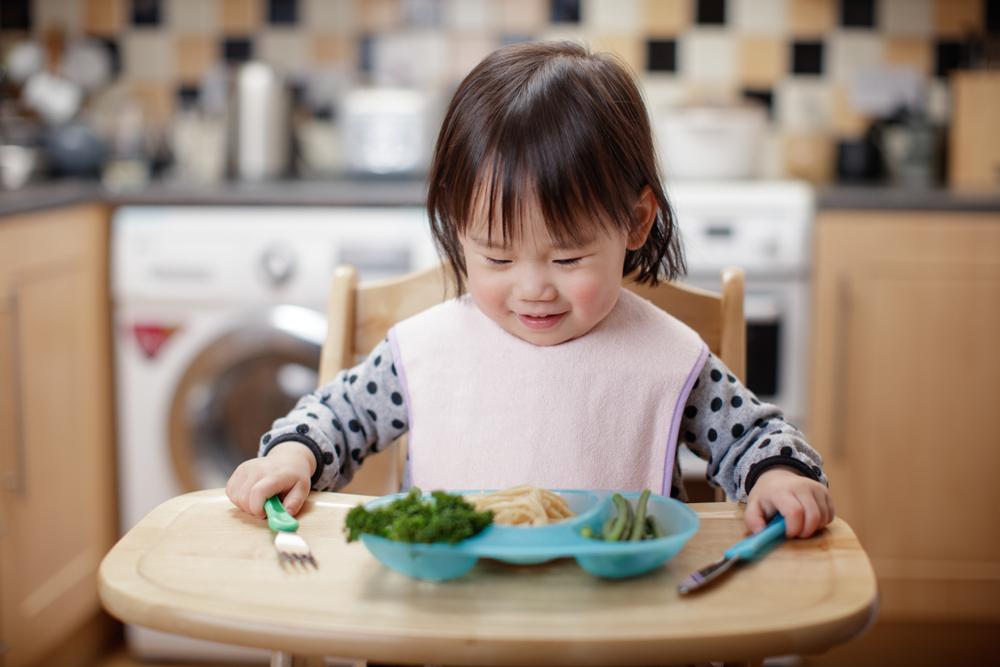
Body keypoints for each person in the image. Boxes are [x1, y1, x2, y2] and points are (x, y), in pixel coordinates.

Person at [226, 41, 834, 538]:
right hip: (447, 622)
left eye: (567, 257)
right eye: (495, 256)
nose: (533, 288)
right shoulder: (425, 351)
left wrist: (776, 476)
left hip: (616, 625)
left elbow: (752, 436)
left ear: (635, 223)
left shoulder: (669, 358)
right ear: (455, 230)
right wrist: (292, 458)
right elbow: (338, 415)